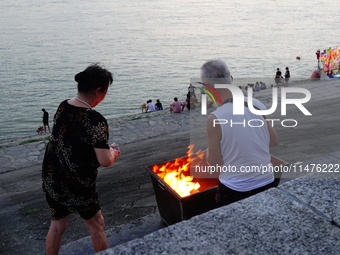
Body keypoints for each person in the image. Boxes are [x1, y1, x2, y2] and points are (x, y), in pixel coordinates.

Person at [42, 63, 120, 254]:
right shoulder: (95, 119)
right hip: (78, 184)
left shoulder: (63, 106)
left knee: (58, 226)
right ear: (99, 90)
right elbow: (105, 160)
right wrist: (113, 152)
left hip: (52, 177)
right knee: (97, 226)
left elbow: (72, 141)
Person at [201, 60, 279, 207]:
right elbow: (273, 140)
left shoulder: (215, 118)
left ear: (208, 88)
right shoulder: (256, 104)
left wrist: (207, 153)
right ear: (231, 78)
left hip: (235, 188)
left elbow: (214, 163)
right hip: (267, 180)